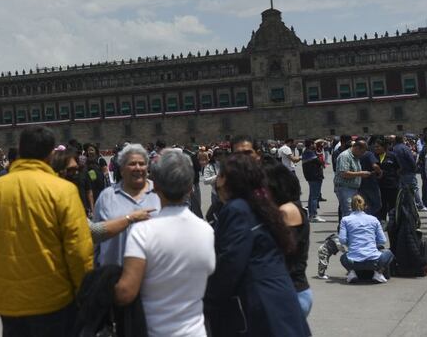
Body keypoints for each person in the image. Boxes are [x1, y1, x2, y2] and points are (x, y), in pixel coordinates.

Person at [0, 126, 93, 337]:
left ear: (20, 150)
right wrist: (83, 291)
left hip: (10, 300)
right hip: (54, 298)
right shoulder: (63, 190)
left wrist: (0, 272)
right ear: (50, 154)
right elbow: (79, 251)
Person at [204, 153, 310, 337]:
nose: (216, 181)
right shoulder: (259, 205)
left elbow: (231, 262)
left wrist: (208, 298)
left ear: (230, 180)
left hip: (262, 303)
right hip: (281, 297)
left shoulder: (236, 209)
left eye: (220, 176)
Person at [114, 150, 215, 336]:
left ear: (156, 186)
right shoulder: (206, 230)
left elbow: (126, 292)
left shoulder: (142, 232)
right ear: (190, 188)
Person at [93, 143, 160, 266]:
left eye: (142, 164)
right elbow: (95, 240)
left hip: (154, 273)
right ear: (122, 169)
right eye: (132, 164)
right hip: (113, 273)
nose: (138, 168)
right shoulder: (107, 196)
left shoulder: (160, 193)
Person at [263, 157, 313, 317]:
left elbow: (283, 253)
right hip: (288, 291)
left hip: (291, 292)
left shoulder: (287, 211)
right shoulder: (282, 209)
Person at [339, 195, 394, 283]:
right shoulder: (373, 219)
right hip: (374, 261)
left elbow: (342, 240)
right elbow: (383, 240)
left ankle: (351, 272)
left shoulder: (345, 220)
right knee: (389, 253)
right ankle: (378, 273)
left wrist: (351, 243)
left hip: (353, 262)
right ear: (365, 206)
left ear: (351, 206)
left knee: (343, 257)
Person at [334, 140, 372, 218]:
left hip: (352, 188)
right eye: (362, 152)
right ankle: (346, 226)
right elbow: (344, 173)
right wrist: (361, 174)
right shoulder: (345, 156)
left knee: (354, 211)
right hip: (345, 188)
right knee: (348, 212)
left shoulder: (355, 156)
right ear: (357, 148)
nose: (362, 154)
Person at [393, 135, 426, 211]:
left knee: (401, 189)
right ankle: (420, 205)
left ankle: (403, 205)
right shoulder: (405, 148)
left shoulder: (394, 148)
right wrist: (415, 168)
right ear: (402, 139)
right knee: (414, 188)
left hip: (399, 172)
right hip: (408, 171)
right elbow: (411, 159)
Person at [374, 138, 400, 221]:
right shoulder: (373, 156)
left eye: (378, 147)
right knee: (381, 206)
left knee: (393, 206)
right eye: (375, 147)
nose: (376, 148)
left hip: (392, 186)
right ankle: (382, 222)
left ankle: (393, 223)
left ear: (384, 147)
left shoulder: (392, 156)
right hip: (379, 186)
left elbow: (399, 168)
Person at [301, 139, 326, 222]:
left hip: (311, 176)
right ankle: (313, 215)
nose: (315, 145)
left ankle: (311, 214)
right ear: (311, 145)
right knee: (315, 197)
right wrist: (320, 154)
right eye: (314, 144)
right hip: (315, 176)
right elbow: (320, 162)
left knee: (312, 196)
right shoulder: (309, 153)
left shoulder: (307, 152)